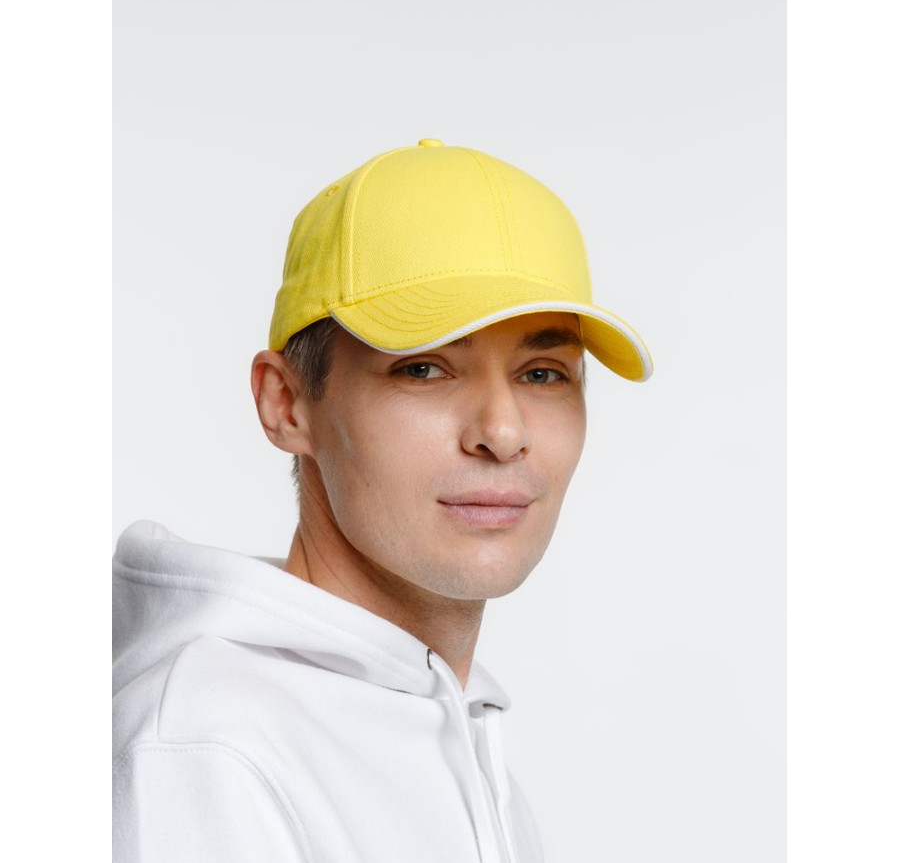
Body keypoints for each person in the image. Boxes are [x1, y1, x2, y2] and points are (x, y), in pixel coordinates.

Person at [112, 137, 653, 863]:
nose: (502, 433)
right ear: (286, 403)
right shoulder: (207, 750)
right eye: (425, 368)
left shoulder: (462, 742)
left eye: (543, 373)